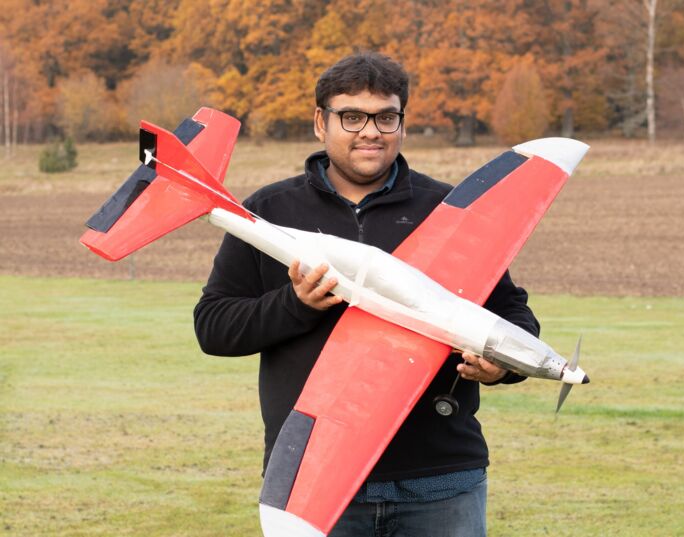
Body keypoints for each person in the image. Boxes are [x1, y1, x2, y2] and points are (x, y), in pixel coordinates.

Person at [193, 52, 540, 537]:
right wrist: (297, 304)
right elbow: (213, 328)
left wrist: (502, 367)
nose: (370, 132)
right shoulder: (268, 212)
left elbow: (511, 313)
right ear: (321, 122)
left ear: (402, 122)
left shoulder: (448, 209)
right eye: (351, 117)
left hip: (441, 478)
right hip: (318, 478)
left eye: (385, 117)